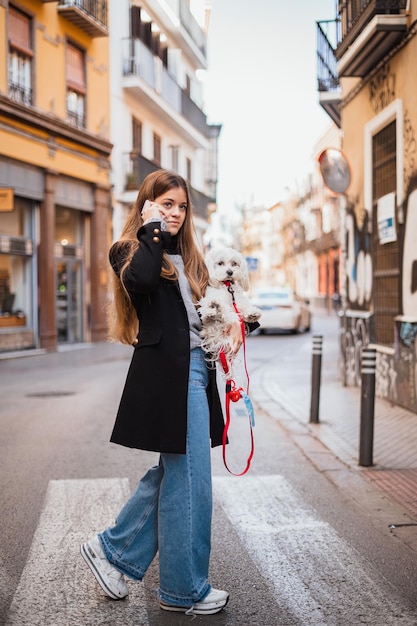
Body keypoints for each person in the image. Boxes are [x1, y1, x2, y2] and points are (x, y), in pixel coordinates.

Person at [81, 170, 244, 616]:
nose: (175, 212)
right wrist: (150, 228)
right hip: (169, 378)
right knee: (191, 483)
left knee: (176, 477)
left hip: (196, 373)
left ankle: (113, 551)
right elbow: (142, 283)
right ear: (147, 204)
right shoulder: (131, 250)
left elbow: (208, 313)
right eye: (166, 203)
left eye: (181, 206)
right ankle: (183, 589)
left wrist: (235, 320)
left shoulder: (189, 258)